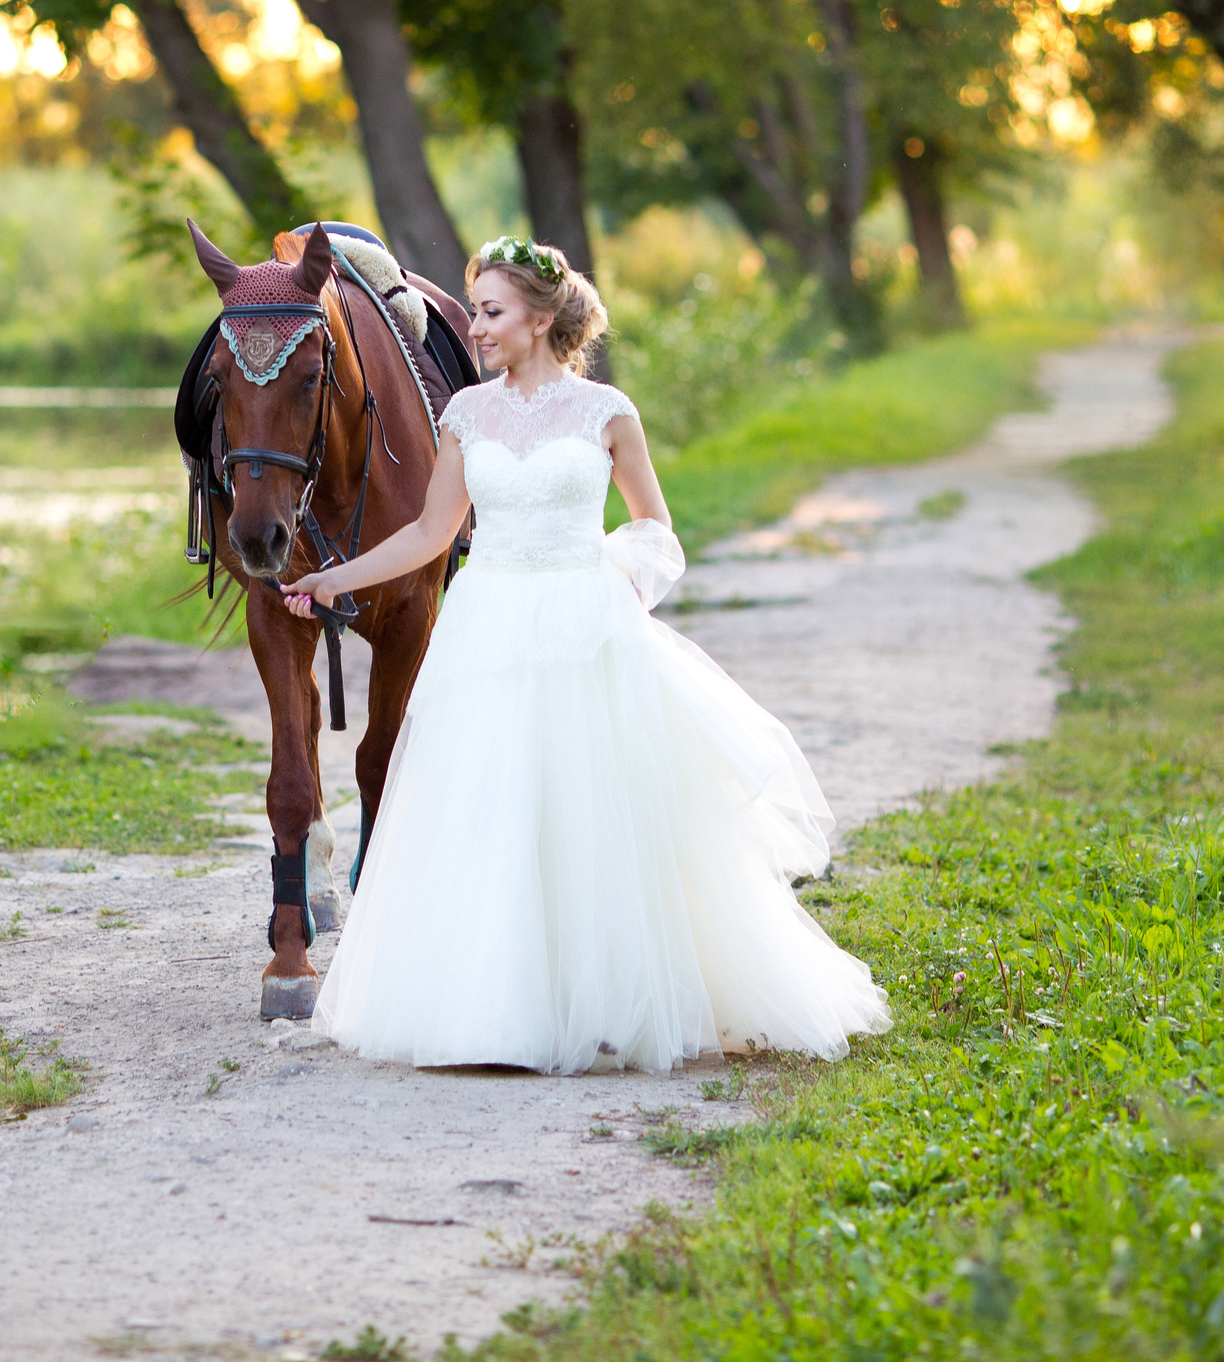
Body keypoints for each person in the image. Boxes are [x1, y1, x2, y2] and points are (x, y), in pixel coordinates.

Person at [278, 237, 891, 1074]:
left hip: (584, 622)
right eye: (478, 310)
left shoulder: (608, 413)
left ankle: (608, 997)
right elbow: (429, 533)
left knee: (591, 812)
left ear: (540, 318)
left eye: (491, 312)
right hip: (490, 625)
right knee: (496, 811)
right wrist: (330, 577)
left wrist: (617, 584)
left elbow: (656, 531)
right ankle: (496, 1008)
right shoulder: (464, 415)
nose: (477, 327)